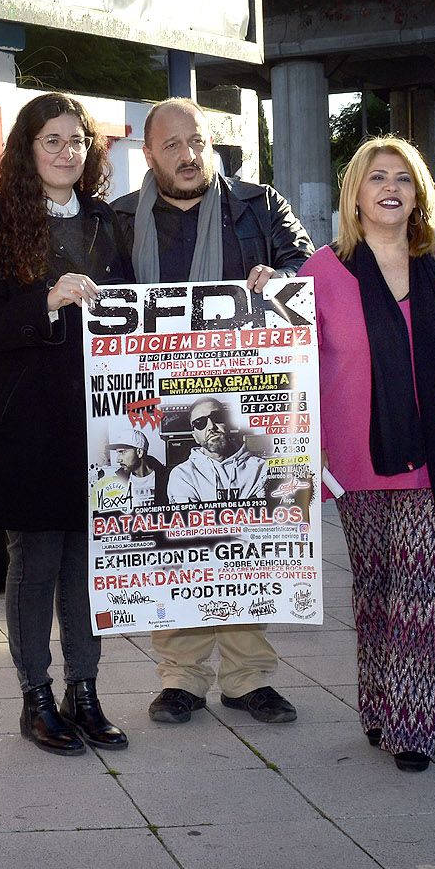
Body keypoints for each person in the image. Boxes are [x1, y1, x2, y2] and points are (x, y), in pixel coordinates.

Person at [114, 96, 313, 726]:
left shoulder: (259, 206)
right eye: (171, 145)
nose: (188, 155)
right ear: (148, 154)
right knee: (175, 539)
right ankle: (181, 678)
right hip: (155, 401)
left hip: (243, 399)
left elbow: (308, 268)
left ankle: (250, 679)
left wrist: (279, 278)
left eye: (196, 141)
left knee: (247, 540)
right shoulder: (119, 219)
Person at [0, 92, 134, 757]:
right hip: (24, 428)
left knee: (88, 566)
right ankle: (36, 697)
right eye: (52, 140)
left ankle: (83, 692)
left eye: (77, 141)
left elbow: (141, 307)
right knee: (35, 565)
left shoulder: (106, 220)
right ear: (26, 150)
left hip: (98, 422)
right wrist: (47, 300)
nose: (67, 152)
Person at [301, 137, 435, 772]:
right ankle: (379, 707)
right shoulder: (321, 271)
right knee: (374, 589)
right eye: (377, 177)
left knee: (419, 590)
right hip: (352, 455)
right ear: (355, 192)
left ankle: (414, 725)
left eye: (403, 178)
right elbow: (293, 360)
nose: (390, 188)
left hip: (434, 451)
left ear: (418, 194)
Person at [166, 397, 269, 503]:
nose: (211, 426)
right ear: (195, 436)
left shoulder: (261, 468)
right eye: (200, 423)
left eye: (217, 417)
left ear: (229, 423)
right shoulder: (183, 475)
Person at [92, 422, 167, 513]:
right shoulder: (117, 481)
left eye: (122, 452)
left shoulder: (167, 477)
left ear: (139, 452)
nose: (118, 459)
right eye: (118, 453)